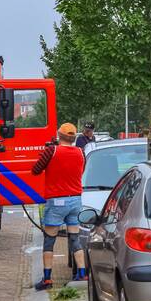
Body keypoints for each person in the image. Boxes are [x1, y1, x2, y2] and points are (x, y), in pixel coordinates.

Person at [31, 123, 87, 290]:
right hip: (75, 199)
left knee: (49, 240)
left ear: (59, 135)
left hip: (56, 201)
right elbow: (80, 171)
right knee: (75, 238)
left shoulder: (52, 151)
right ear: (74, 137)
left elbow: (36, 170)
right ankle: (82, 274)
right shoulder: (81, 152)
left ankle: (47, 279)